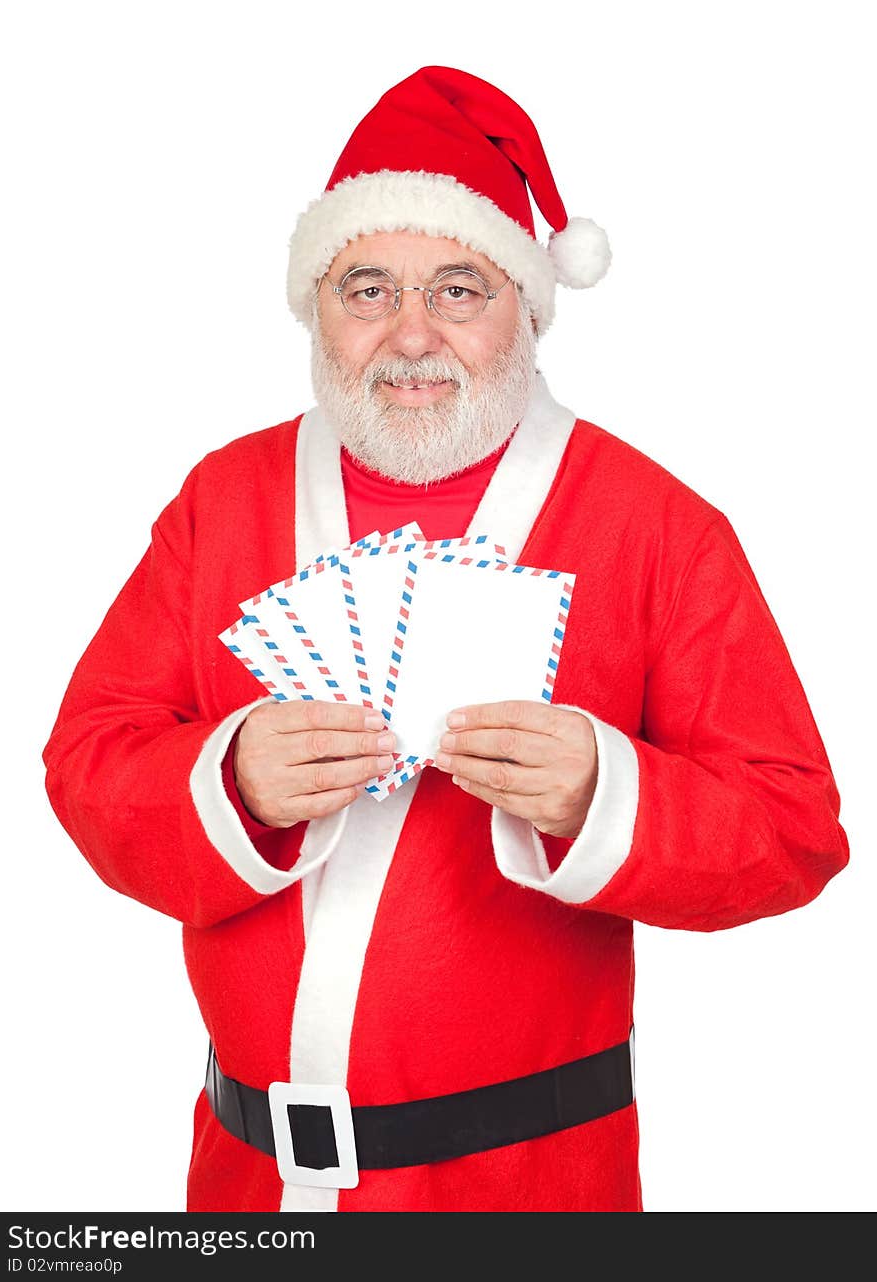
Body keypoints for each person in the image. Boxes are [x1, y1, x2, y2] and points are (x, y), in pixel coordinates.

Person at [42, 65, 849, 1214]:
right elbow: (84, 760)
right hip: (245, 1186)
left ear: (524, 303)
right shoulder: (220, 501)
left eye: (459, 288)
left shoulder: (657, 526)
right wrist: (223, 782)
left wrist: (605, 795)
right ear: (314, 304)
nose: (410, 334)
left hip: (529, 1189)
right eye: (366, 287)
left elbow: (791, 825)